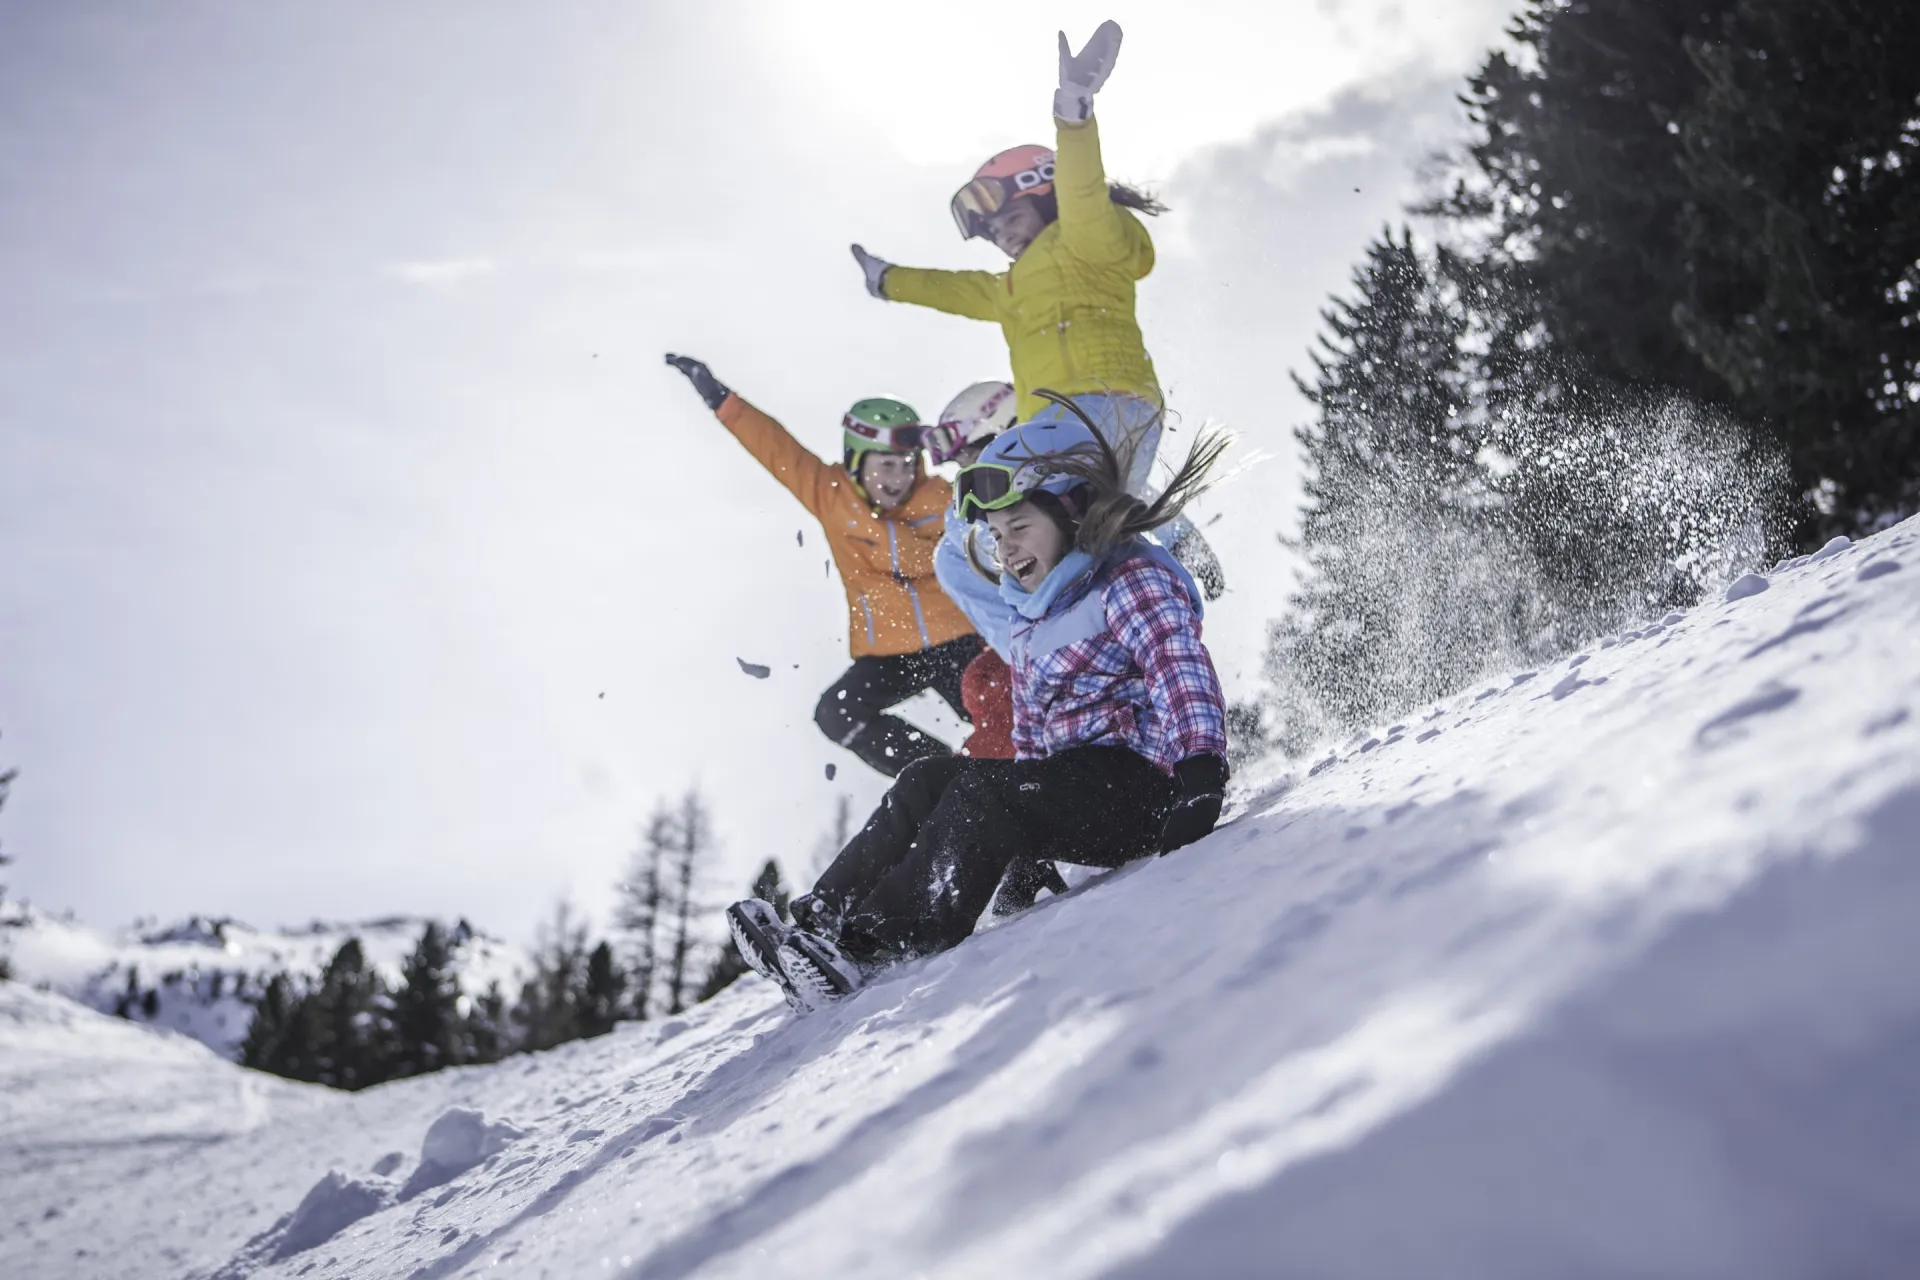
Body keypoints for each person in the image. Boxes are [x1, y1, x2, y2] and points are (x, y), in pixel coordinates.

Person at [728, 398, 1232, 1011]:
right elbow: (1035, 738)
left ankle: (868, 945)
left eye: (1019, 527)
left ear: (1072, 512)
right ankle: (820, 918)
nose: (1008, 548)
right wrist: (1028, 839)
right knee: (928, 777)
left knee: (978, 794)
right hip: (1073, 787)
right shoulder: (1031, 614)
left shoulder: (1127, 581)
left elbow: (1176, 665)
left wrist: (1200, 773)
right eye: (997, 536)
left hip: (1142, 789)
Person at [847, 20, 1227, 600]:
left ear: (1038, 189)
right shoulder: (1013, 289)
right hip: (1079, 418)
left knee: (979, 504)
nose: (1000, 236)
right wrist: (890, 281)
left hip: (1097, 404)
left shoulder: (1086, 241)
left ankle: (1145, 540)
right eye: (991, 231)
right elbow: (956, 289)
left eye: (1007, 219)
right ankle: (1105, 632)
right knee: (1022, 547)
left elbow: (1081, 194)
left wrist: (1073, 116)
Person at [665, 354, 982, 777]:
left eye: (908, 465)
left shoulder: (942, 499)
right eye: (885, 465)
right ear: (856, 461)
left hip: (956, 640)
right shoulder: (833, 497)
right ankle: (943, 777)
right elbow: (778, 449)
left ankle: (1026, 776)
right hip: (890, 652)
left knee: (994, 710)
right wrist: (723, 401)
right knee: (838, 713)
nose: (899, 477)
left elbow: (969, 547)